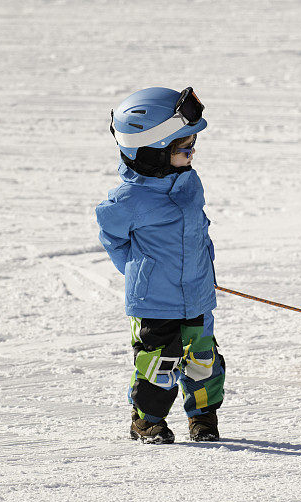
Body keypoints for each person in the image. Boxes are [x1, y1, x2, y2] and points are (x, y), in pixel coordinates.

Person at [95, 87, 224, 444]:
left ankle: (202, 417)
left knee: (203, 361)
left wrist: (202, 270)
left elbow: (199, 232)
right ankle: (146, 420)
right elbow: (113, 237)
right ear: (152, 152)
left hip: (196, 293)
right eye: (184, 148)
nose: (192, 152)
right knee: (159, 365)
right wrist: (143, 270)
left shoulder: (188, 182)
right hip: (155, 301)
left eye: (192, 145)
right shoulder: (129, 200)